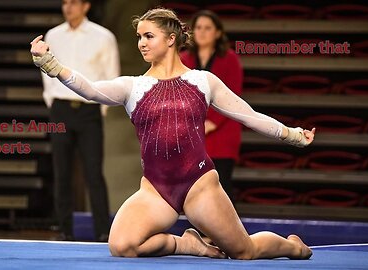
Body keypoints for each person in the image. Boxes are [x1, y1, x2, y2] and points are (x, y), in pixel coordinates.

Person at [30, 7, 315, 259]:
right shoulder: (133, 87)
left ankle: (293, 247)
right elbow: (90, 89)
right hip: (156, 190)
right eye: (139, 37)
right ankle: (188, 245)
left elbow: (249, 117)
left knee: (243, 251)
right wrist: (52, 65)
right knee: (123, 245)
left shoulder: (202, 81)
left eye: (148, 36)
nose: (141, 43)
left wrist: (291, 134)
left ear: (171, 39)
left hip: (199, 185)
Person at [41, 0, 120, 242]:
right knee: (61, 171)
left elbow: (112, 75)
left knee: (94, 172)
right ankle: (64, 230)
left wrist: (101, 109)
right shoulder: (53, 35)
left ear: (86, 6)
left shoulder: (103, 36)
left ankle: (103, 231)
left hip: (89, 110)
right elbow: (45, 70)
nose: (68, 7)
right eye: (65, 2)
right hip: (61, 108)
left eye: (74, 2)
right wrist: (52, 99)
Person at [180, 10, 243, 205]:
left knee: (221, 184)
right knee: (195, 187)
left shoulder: (230, 59)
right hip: (192, 131)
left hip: (223, 132)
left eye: (208, 28)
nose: (202, 32)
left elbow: (232, 93)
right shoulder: (183, 59)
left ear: (217, 33)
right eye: (198, 27)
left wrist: (212, 122)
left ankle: (226, 233)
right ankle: (201, 232)